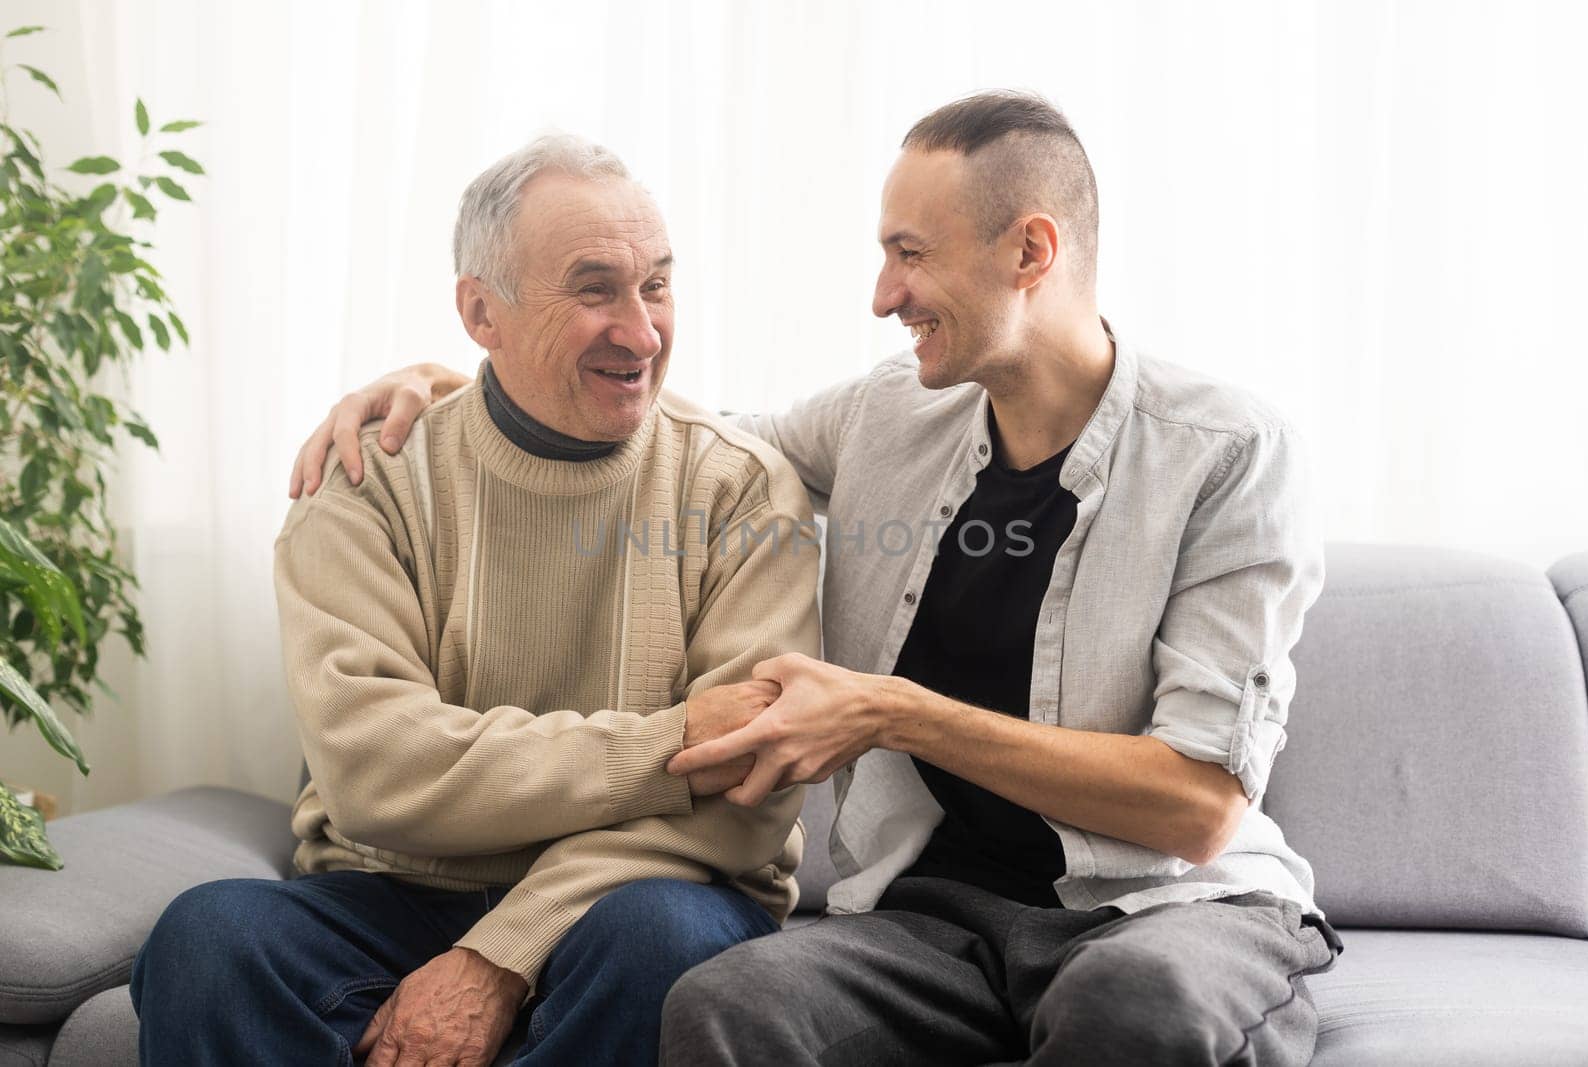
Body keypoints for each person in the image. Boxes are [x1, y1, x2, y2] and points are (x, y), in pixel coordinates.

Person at [291, 92, 1341, 1065]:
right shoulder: (888, 416)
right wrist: (455, 387)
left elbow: (1197, 804)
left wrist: (894, 711)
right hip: (932, 923)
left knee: (1132, 1004)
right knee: (727, 1002)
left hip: (1169, 910)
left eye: (909, 255)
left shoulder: (1228, 452)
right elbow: (656, 438)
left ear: (1030, 250)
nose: (884, 295)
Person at [131, 134, 820, 1067]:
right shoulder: (363, 483)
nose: (643, 330)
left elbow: (751, 789)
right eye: (594, 289)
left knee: (662, 940)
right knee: (209, 938)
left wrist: (503, 950)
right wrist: (673, 742)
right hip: (396, 893)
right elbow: (380, 773)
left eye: (656, 285)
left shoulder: (740, 486)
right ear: (480, 311)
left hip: (642, 896)